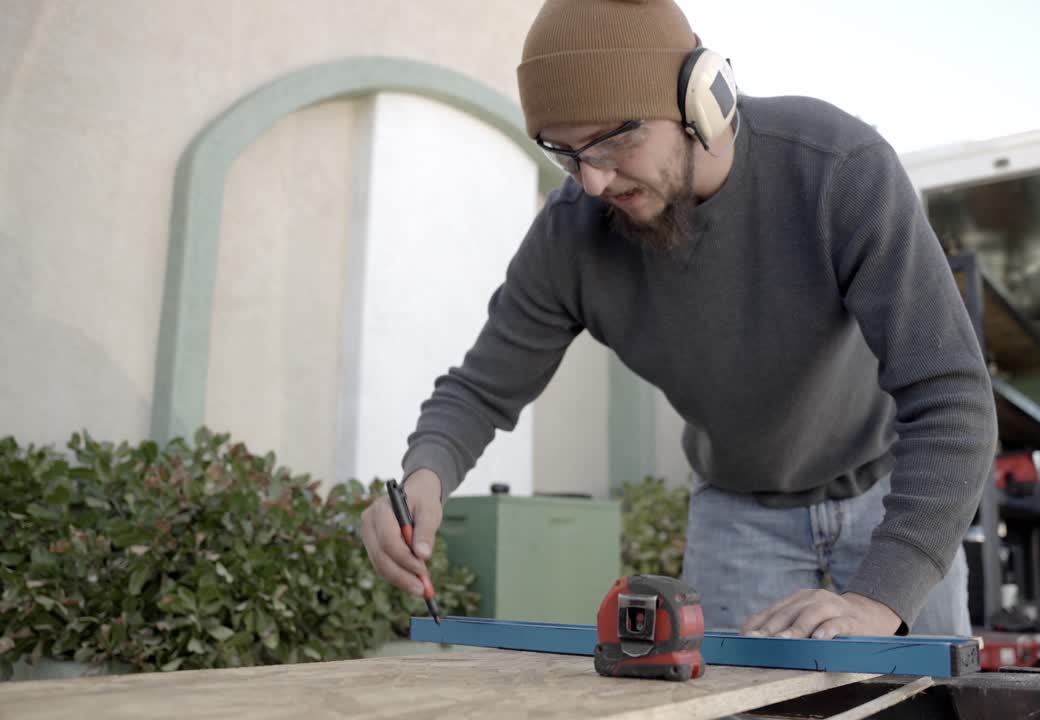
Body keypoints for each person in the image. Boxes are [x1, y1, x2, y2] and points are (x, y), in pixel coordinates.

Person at [361, 0, 997, 639]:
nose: (592, 180)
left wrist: (883, 600)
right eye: (564, 151)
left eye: (614, 139)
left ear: (702, 101)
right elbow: (479, 389)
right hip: (737, 512)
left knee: (925, 703)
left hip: (893, 493)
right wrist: (425, 474)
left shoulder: (838, 170)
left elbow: (950, 397)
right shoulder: (571, 236)